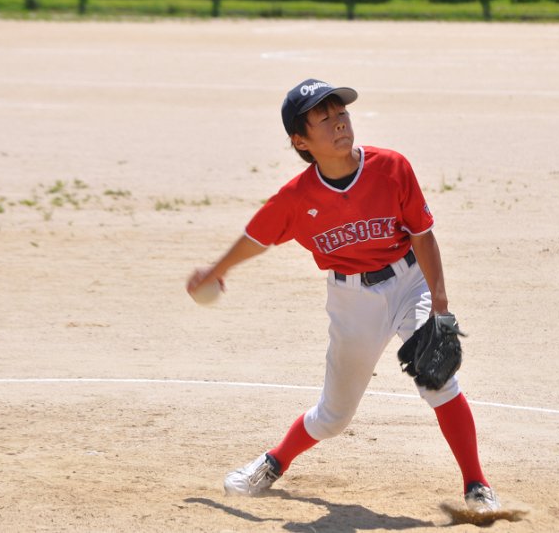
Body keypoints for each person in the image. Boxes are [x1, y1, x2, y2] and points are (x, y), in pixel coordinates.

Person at [186, 78, 500, 513]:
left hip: (410, 282)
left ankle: (477, 485)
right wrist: (217, 270)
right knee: (333, 416)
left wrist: (440, 307)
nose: (339, 123)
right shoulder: (297, 198)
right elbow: (256, 238)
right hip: (352, 302)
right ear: (300, 141)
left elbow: (423, 236)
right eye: (324, 119)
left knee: (438, 379)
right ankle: (274, 461)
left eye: (342, 113)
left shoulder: (392, 167)